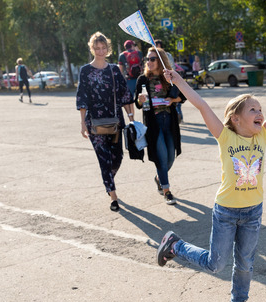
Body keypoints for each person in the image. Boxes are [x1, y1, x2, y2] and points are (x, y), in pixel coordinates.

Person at [156, 66, 266, 302]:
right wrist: (178, 80)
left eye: (260, 109)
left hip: (253, 212)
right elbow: (201, 105)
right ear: (235, 119)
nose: (260, 113)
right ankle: (175, 246)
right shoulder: (225, 137)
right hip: (226, 211)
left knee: (245, 263)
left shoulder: (264, 135)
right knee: (216, 264)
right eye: (253, 110)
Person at [76, 31, 134, 212]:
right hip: (94, 122)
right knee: (104, 160)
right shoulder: (85, 71)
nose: (100, 51)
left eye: (103, 48)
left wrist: (132, 119)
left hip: (115, 120)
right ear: (92, 49)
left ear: (107, 49)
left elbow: (125, 95)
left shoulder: (114, 70)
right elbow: (82, 97)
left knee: (117, 158)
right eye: (97, 48)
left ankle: (108, 178)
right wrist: (82, 123)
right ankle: (113, 195)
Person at [134, 47, 185, 205]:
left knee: (170, 157)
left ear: (161, 60)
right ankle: (167, 191)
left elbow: (183, 97)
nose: (149, 62)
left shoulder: (168, 78)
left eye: (152, 59)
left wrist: (172, 100)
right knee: (161, 158)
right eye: (147, 59)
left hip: (169, 122)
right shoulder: (142, 80)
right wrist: (140, 100)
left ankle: (158, 178)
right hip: (153, 124)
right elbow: (137, 104)